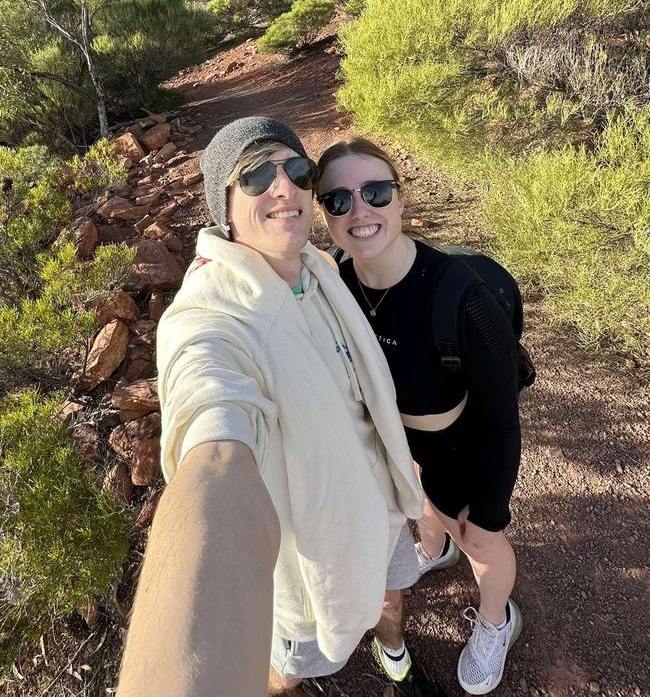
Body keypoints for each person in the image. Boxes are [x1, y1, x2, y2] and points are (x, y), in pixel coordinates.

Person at [117, 117, 448, 697]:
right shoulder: (211, 318)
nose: (285, 188)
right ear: (222, 204)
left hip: (379, 505)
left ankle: (393, 655)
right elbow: (213, 439)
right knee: (290, 663)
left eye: (297, 170)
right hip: (312, 552)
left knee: (391, 594)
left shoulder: (314, 267)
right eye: (255, 177)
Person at [316, 138, 523, 696]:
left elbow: (503, 421)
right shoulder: (334, 282)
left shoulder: (463, 297)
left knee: (479, 539)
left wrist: (490, 510)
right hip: (395, 445)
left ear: (400, 201)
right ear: (325, 216)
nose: (360, 212)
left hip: (460, 443)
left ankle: (497, 619)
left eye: (376, 192)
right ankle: (435, 548)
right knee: (424, 506)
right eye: (338, 200)